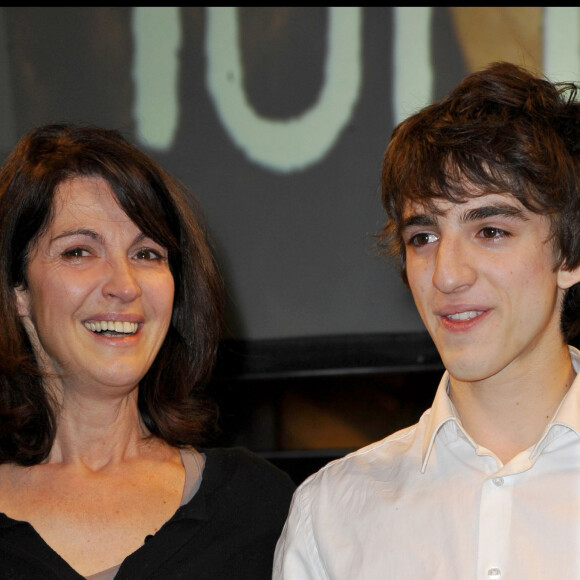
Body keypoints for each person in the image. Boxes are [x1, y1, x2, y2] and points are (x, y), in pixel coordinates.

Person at [273, 61, 580, 579]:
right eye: (423, 237)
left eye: (491, 231)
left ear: (569, 258)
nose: (446, 274)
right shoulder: (332, 513)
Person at [0, 123, 295, 580]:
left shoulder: (258, 508)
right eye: (79, 252)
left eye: (147, 254)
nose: (123, 286)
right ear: (18, 289)